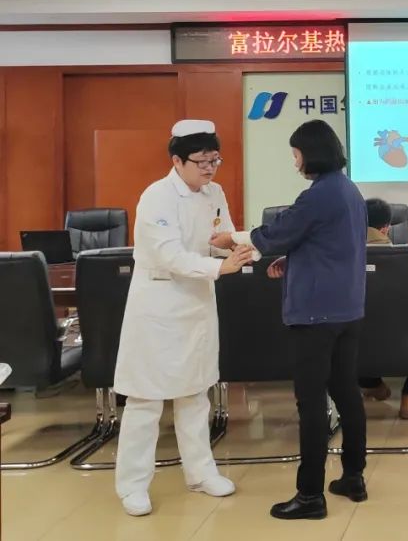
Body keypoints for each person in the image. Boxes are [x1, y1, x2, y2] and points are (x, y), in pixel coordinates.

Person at [216, 120, 367, 520]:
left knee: (311, 402)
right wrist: (293, 259)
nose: (295, 161)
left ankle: (310, 495)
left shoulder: (317, 195)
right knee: (346, 393)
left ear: (311, 153)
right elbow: (330, 244)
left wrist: (233, 239)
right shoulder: (348, 189)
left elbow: (278, 232)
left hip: (316, 313)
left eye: (296, 154)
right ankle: (354, 477)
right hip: (347, 307)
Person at [113, 120, 252, 517]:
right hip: (159, 305)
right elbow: (168, 255)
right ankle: (132, 485)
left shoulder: (214, 192)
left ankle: (201, 473)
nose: (210, 169)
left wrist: (235, 247)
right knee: (146, 400)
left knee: (195, 393)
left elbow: (218, 236)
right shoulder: (156, 196)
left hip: (197, 304)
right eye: (201, 162)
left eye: (215, 160)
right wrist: (219, 267)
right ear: (177, 161)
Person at [358, 197, 408, 420]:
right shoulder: (404, 257)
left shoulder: (340, 254)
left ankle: (371, 383)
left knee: (355, 328)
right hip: (400, 340)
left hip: (352, 339)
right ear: (386, 228)